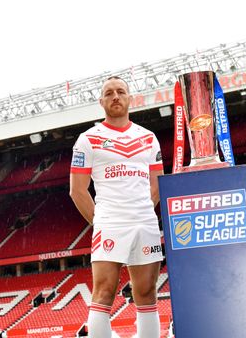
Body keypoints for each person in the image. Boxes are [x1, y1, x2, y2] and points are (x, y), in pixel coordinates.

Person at [70, 76, 164, 338]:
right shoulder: (88, 139)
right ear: (101, 101)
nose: (115, 96)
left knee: (146, 292)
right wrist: (101, 222)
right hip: (110, 222)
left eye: (120, 91)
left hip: (145, 222)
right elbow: (77, 190)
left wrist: (142, 211)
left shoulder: (148, 138)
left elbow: (156, 186)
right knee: (104, 291)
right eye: (109, 93)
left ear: (129, 98)